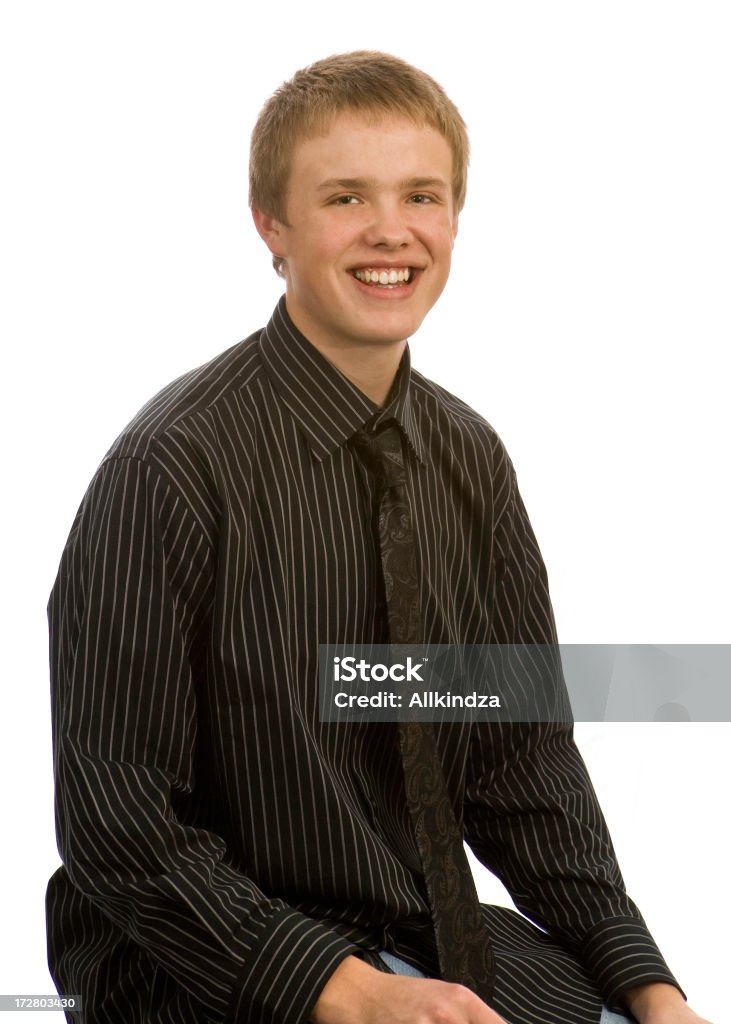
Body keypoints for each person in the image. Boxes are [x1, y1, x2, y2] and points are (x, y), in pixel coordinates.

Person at [46, 52, 711, 1024]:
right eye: (346, 196)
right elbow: (119, 822)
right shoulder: (169, 469)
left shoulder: (468, 457)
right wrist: (341, 989)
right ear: (270, 225)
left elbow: (515, 764)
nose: (390, 229)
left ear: (453, 220)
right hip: (203, 958)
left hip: (418, 930)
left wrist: (648, 989)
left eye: (421, 195)